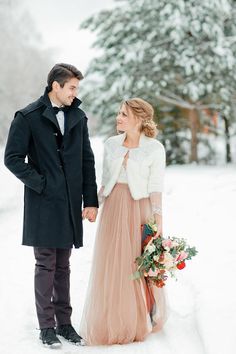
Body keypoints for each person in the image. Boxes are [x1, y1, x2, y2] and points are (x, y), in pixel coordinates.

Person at [4, 63, 98, 348]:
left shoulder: (78, 117)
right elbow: (12, 158)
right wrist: (42, 184)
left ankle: (65, 324)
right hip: (43, 203)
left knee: (63, 266)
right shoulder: (27, 116)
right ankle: (46, 327)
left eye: (76, 89)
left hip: (69, 204)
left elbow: (87, 161)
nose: (74, 93)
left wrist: (90, 200)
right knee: (45, 264)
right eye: (71, 87)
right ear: (55, 86)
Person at [79, 98, 167, 345]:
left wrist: (158, 221)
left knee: (136, 265)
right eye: (118, 113)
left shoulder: (154, 148)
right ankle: (112, 320)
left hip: (140, 209)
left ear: (139, 118)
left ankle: (138, 319)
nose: (118, 118)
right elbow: (105, 180)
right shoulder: (111, 144)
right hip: (114, 207)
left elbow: (156, 187)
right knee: (111, 265)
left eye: (124, 114)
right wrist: (93, 206)